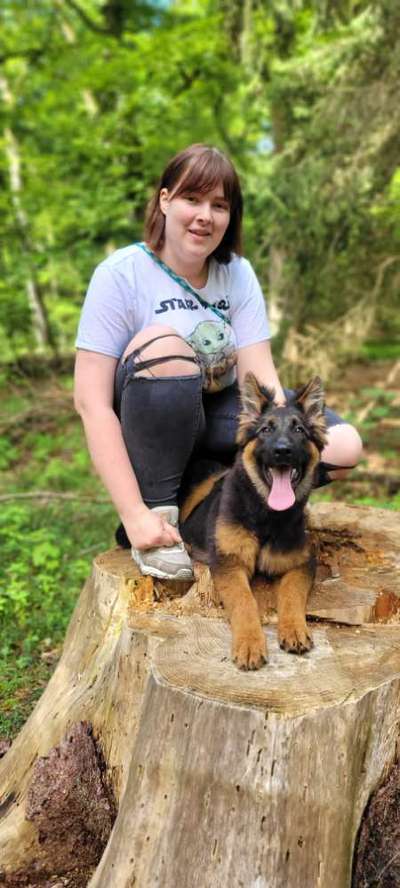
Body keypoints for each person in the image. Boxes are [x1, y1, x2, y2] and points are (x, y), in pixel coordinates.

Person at [74, 143, 362, 581]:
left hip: (219, 420)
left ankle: (255, 505)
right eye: (192, 198)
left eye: (219, 204)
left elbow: (261, 383)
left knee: (343, 449)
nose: (205, 215)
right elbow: (90, 404)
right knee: (165, 347)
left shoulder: (237, 273)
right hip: (152, 427)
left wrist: (279, 437)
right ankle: (158, 516)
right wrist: (132, 514)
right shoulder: (121, 274)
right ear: (165, 200)